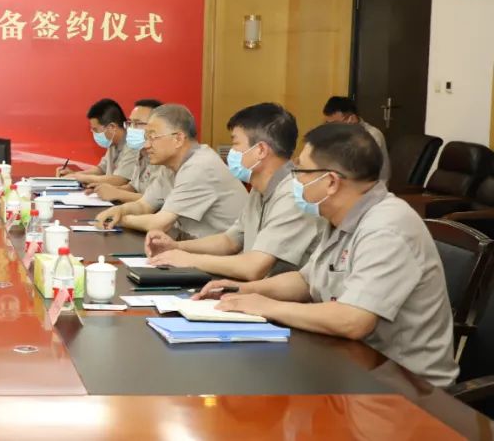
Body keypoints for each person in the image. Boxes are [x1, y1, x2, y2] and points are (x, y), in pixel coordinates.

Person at [198, 123, 458, 388]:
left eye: (300, 171)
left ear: (331, 182)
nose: (295, 180)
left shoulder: (386, 228)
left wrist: (267, 306)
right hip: (349, 365)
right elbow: (305, 280)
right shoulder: (339, 216)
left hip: (406, 388)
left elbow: (353, 320)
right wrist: (243, 291)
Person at [146, 103, 324, 280]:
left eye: (236, 143)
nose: (232, 152)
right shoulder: (259, 188)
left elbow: (253, 268)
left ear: (260, 150)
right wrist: (175, 247)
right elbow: (230, 241)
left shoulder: (294, 195)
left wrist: (189, 260)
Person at [95, 103, 247, 239]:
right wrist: (119, 210)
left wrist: (120, 219)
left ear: (178, 139)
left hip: (226, 255)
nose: (146, 145)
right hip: (191, 245)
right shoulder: (169, 165)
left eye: (152, 137)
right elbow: (144, 205)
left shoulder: (200, 166)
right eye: (146, 137)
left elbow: (159, 223)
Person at [91, 98, 173, 205]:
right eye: (130, 123)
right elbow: (134, 187)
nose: (131, 129)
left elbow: (158, 201)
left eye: (137, 123)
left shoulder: (166, 158)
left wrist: (118, 194)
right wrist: (107, 189)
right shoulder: (142, 151)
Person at [57, 98, 139, 186]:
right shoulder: (112, 143)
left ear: (112, 127)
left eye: (95, 129)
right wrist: (74, 175)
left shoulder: (133, 145)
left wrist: (80, 177)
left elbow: (119, 180)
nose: (93, 133)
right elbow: (101, 169)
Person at [323, 96, 391, 182]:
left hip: (371, 185)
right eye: (328, 123)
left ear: (352, 119)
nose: (331, 128)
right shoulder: (340, 133)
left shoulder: (372, 136)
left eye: (335, 123)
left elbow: (361, 171)